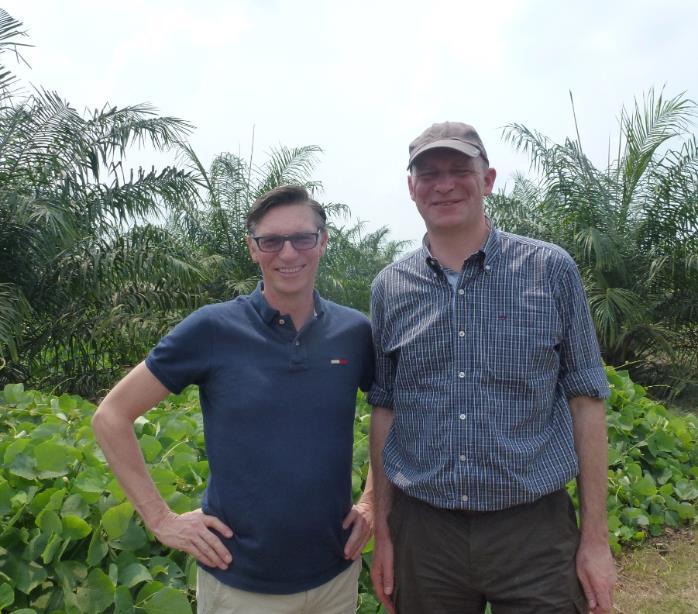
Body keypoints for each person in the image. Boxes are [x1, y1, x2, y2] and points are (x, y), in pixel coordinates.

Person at [368, 122, 617, 614]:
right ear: (411, 187)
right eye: (429, 173)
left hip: (534, 534)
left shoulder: (551, 270)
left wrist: (595, 540)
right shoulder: (389, 288)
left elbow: (586, 401)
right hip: (425, 534)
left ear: (488, 179)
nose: (444, 185)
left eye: (460, 170)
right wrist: (385, 533)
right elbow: (385, 410)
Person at [93, 184, 374, 614]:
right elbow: (111, 415)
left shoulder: (355, 332)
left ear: (323, 241)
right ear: (252, 248)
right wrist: (161, 519)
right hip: (240, 585)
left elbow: (394, 411)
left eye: (302, 237)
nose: (288, 253)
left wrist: (371, 501)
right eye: (271, 241)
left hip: (336, 576)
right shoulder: (212, 329)